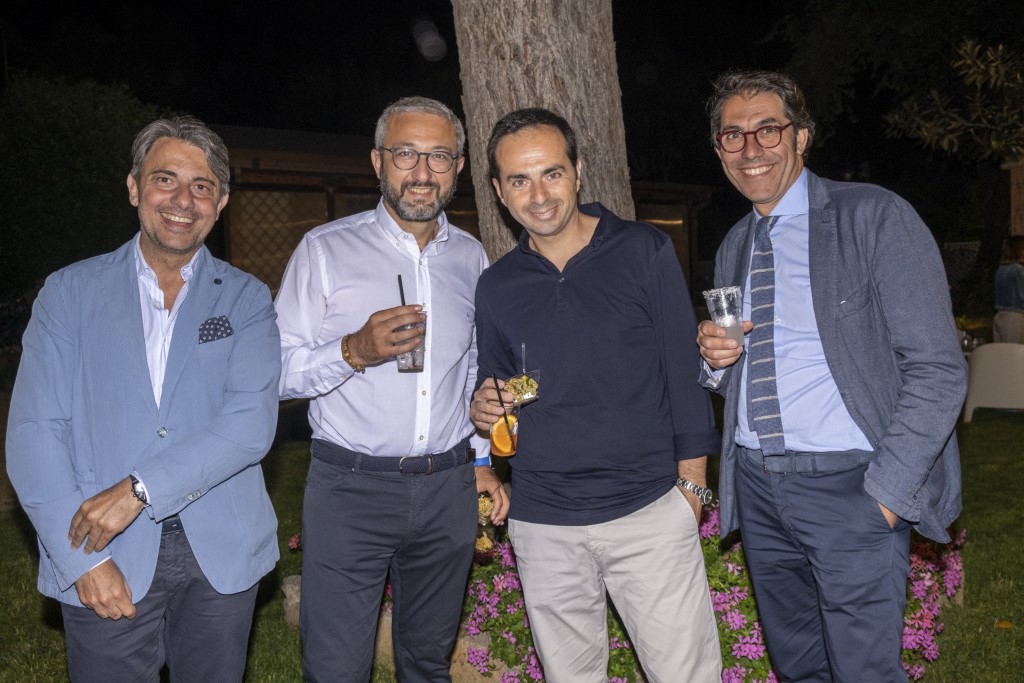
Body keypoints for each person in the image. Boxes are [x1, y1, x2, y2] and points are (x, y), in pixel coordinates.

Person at [697, 70, 966, 682]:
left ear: (801, 136)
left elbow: (937, 368)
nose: (750, 148)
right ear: (719, 150)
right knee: (798, 667)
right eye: (733, 135)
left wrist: (886, 497)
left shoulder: (871, 216)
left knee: (863, 671)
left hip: (851, 487)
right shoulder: (736, 243)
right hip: (759, 488)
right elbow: (748, 366)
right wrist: (713, 360)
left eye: (768, 129)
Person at [6, 116, 281, 681]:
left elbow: (249, 424)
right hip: (103, 549)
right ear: (134, 188)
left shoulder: (248, 299)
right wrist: (81, 560)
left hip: (222, 551)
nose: (183, 200)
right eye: (165, 179)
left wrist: (140, 489)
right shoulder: (69, 293)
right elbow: (35, 432)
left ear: (220, 203)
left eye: (201, 186)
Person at [471, 108, 722, 683]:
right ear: (499, 192)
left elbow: (683, 371)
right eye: (519, 180)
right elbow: (497, 388)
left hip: (648, 511)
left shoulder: (643, 249)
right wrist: (486, 412)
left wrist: (692, 487)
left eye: (551, 173)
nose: (538, 195)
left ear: (578, 171)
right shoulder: (497, 286)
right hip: (543, 523)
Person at [275, 96, 508, 682]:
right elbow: (274, 372)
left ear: (458, 168)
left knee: (427, 663)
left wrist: (481, 460)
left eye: (438, 156)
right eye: (406, 153)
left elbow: (472, 368)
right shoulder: (325, 250)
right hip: (350, 489)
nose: (422, 172)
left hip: (448, 488)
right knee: (336, 668)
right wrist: (353, 350)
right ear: (378, 161)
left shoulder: (471, 257)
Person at [993, 235, 1024, 343]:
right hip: (1014, 317)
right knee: (1015, 351)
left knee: (1002, 351)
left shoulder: (1001, 269)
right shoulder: (1018, 270)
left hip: (999, 316)